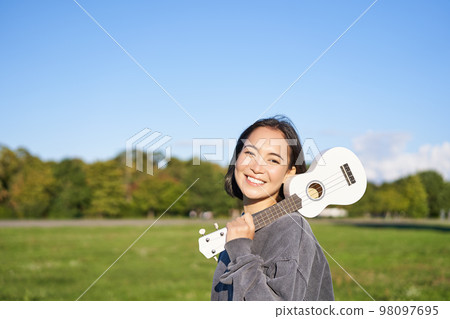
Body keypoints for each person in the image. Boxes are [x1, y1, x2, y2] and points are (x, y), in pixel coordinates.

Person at [210, 115, 334, 301]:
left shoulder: (291, 227)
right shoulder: (240, 231)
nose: (257, 167)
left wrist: (240, 252)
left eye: (273, 160)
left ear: (289, 173)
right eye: (250, 153)